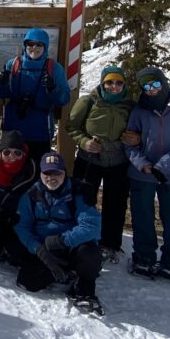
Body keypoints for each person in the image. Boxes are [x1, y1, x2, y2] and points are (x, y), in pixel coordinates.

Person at [124, 67, 170, 283]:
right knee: (142, 217)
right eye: (146, 86)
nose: (152, 90)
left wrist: (162, 166)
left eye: (155, 84)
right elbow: (129, 143)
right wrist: (143, 164)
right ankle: (144, 258)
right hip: (142, 173)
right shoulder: (139, 111)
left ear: (163, 82)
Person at [66, 64, 138, 264]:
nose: (113, 86)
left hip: (118, 160)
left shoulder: (130, 106)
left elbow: (139, 130)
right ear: (102, 82)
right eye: (109, 82)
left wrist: (136, 139)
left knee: (115, 203)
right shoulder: (88, 102)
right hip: (89, 159)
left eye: (118, 83)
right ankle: (80, 238)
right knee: (84, 200)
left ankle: (110, 243)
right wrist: (84, 142)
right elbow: (72, 126)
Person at [14, 152, 102, 307]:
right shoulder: (30, 195)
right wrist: (39, 249)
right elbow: (22, 227)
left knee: (89, 253)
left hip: (72, 246)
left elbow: (92, 226)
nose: (51, 177)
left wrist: (63, 240)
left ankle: (84, 286)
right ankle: (61, 272)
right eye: (47, 173)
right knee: (28, 282)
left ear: (64, 173)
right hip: (46, 249)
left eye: (56, 173)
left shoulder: (78, 192)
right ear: (40, 174)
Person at [0, 28, 70, 168]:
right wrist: (0, 83)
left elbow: (64, 99)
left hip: (39, 130)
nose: (34, 48)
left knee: (37, 170)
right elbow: (0, 94)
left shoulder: (54, 68)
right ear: (25, 46)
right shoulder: (13, 64)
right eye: (30, 44)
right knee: (12, 171)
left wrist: (53, 90)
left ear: (45, 47)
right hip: (13, 130)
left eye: (39, 44)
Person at [0, 130, 38, 265]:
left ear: (24, 154)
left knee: (17, 252)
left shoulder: (32, 171)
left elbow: (53, 184)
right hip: (1, 217)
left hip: (24, 222)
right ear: (0, 154)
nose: (12, 156)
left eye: (17, 153)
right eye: (7, 152)